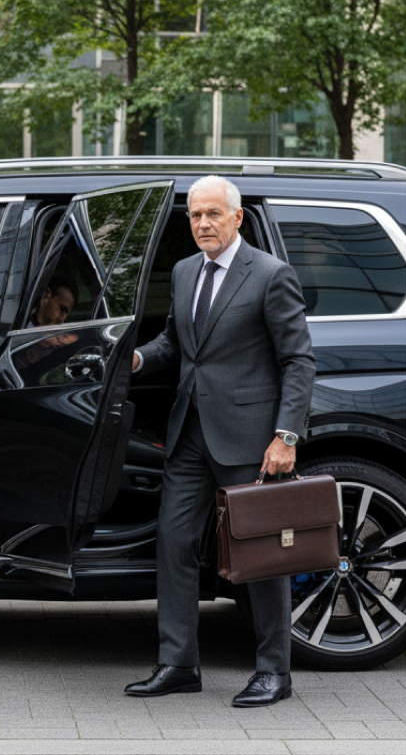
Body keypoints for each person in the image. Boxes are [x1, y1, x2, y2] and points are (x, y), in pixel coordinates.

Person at [124, 175, 314, 708]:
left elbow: (298, 361)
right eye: (194, 215)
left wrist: (285, 436)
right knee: (174, 544)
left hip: (251, 439)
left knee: (261, 555)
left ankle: (274, 672)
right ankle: (179, 664)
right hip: (189, 433)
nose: (203, 224)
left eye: (212, 214)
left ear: (237, 217)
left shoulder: (271, 274)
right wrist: (134, 358)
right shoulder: (186, 271)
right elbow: (175, 342)